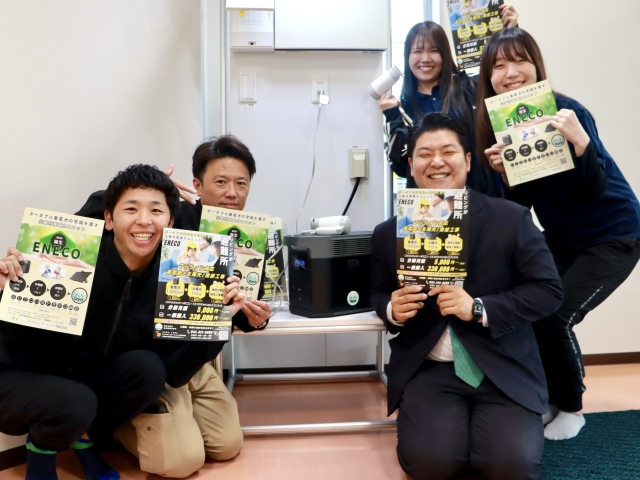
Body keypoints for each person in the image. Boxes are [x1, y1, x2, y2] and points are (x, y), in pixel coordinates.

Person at [0, 165, 244, 480]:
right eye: (131, 209)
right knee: (75, 401)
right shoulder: (74, 258)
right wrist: (9, 292)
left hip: (84, 378)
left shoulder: (174, 277)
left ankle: (83, 436)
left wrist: (219, 320)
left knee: (148, 369)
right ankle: (44, 448)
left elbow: (175, 373)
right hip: (20, 376)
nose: (144, 220)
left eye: (156, 210)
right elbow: (14, 344)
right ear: (108, 219)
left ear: (170, 222)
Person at [370, 113, 563, 480]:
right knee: (431, 465)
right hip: (430, 367)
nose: (436, 162)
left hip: (503, 364)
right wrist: (391, 308)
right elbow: (378, 292)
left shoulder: (512, 219)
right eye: (424, 154)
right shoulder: (388, 232)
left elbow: (548, 291)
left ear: (468, 161)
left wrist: (479, 308)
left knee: (511, 467)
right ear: (410, 165)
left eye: (448, 152)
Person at [476, 27, 640, 441]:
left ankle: (572, 407)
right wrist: (506, 174)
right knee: (529, 306)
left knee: (555, 315)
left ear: (537, 67)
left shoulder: (567, 112)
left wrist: (582, 144)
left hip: (615, 234)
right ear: (488, 77)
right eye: (499, 65)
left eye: (521, 60)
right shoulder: (501, 126)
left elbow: (593, 191)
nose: (511, 73)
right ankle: (551, 396)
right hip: (565, 239)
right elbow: (523, 207)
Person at [76, 135, 272, 476]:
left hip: (194, 355)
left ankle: (176, 416)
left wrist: (257, 319)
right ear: (197, 184)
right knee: (182, 461)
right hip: (153, 352)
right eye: (221, 182)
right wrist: (148, 191)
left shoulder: (250, 237)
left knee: (226, 445)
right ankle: (121, 423)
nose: (232, 193)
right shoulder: (172, 215)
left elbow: (242, 311)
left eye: (241, 183)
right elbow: (95, 219)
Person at [379, 4, 518, 196]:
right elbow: (402, 168)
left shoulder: (470, 88)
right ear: (407, 57)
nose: (425, 58)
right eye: (417, 51)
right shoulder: (402, 107)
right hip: (432, 206)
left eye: (434, 51)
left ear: (444, 55)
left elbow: (509, 79)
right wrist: (392, 117)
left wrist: (511, 32)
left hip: (481, 199)